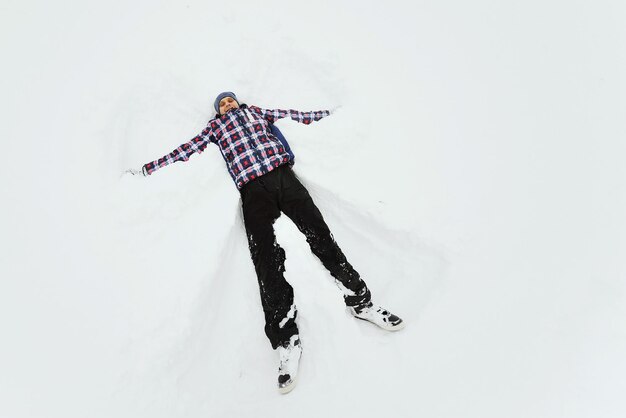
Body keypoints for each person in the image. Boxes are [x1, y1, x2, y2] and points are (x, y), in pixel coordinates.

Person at [126, 92, 404, 394]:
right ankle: (285, 337)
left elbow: (293, 114)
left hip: (284, 178)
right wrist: (149, 168)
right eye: (222, 104)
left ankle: (361, 301)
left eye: (230, 100)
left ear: (238, 102)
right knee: (266, 260)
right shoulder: (215, 129)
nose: (227, 105)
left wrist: (332, 115)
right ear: (217, 112)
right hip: (253, 191)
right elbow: (186, 150)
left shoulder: (257, 112)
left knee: (320, 235)